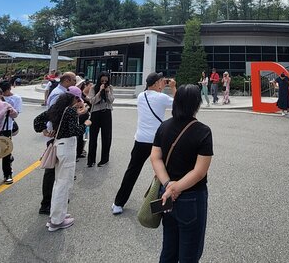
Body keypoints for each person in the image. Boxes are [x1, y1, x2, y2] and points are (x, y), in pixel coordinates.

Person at [151, 84, 213, 262]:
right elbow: (200, 172)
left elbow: (155, 157)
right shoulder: (203, 131)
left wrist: (168, 185)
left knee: (169, 247)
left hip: (166, 196)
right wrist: (176, 187)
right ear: (197, 104)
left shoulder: (164, 126)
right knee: (190, 252)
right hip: (191, 196)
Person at [112, 72, 176, 215]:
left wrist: (163, 86)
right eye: (161, 81)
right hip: (157, 142)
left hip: (140, 139)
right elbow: (179, 105)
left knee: (132, 171)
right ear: (155, 84)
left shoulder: (142, 96)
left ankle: (118, 203)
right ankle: (163, 206)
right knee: (164, 173)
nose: (163, 83)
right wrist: (173, 87)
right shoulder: (162, 97)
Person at [41, 93, 86, 232]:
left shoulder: (55, 109)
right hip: (67, 147)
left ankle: (56, 215)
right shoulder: (71, 111)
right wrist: (85, 124)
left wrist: (45, 131)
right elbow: (74, 130)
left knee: (58, 182)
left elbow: (37, 121)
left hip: (58, 145)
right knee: (64, 183)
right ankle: (57, 221)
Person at [39, 71, 77, 215]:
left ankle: (55, 200)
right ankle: (47, 203)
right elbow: (52, 114)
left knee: (56, 170)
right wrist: (48, 129)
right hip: (56, 137)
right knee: (52, 170)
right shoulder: (58, 95)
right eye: (73, 80)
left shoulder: (62, 93)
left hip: (57, 136)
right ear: (66, 80)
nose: (75, 82)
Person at [0, 81, 22, 184]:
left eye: (3, 92)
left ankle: (7, 174)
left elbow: (16, 114)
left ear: (9, 89)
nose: (1, 95)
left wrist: (7, 108)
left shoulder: (16, 98)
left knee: (6, 151)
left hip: (7, 127)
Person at [85, 72, 114, 167]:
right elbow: (92, 101)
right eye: (102, 81)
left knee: (106, 137)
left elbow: (111, 100)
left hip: (106, 113)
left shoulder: (110, 88)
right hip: (96, 113)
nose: (104, 83)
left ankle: (104, 159)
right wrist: (99, 92)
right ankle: (91, 160)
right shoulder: (93, 87)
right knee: (93, 137)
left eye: (106, 81)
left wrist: (107, 92)